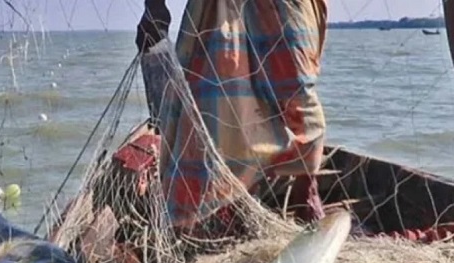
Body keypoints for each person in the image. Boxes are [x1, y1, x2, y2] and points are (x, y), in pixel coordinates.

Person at [136, 0, 328, 230]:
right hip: (218, 9)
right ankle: (226, 206)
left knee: (296, 87)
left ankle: (306, 187)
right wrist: (154, 7)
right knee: (216, 104)